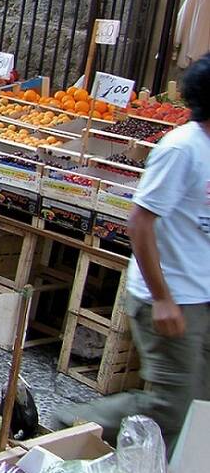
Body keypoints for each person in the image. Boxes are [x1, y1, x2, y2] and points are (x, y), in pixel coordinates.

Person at [57, 53, 210, 448]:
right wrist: (162, 299)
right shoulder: (182, 149)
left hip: (202, 295)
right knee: (170, 407)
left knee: (200, 405)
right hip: (174, 295)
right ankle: (73, 424)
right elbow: (140, 222)